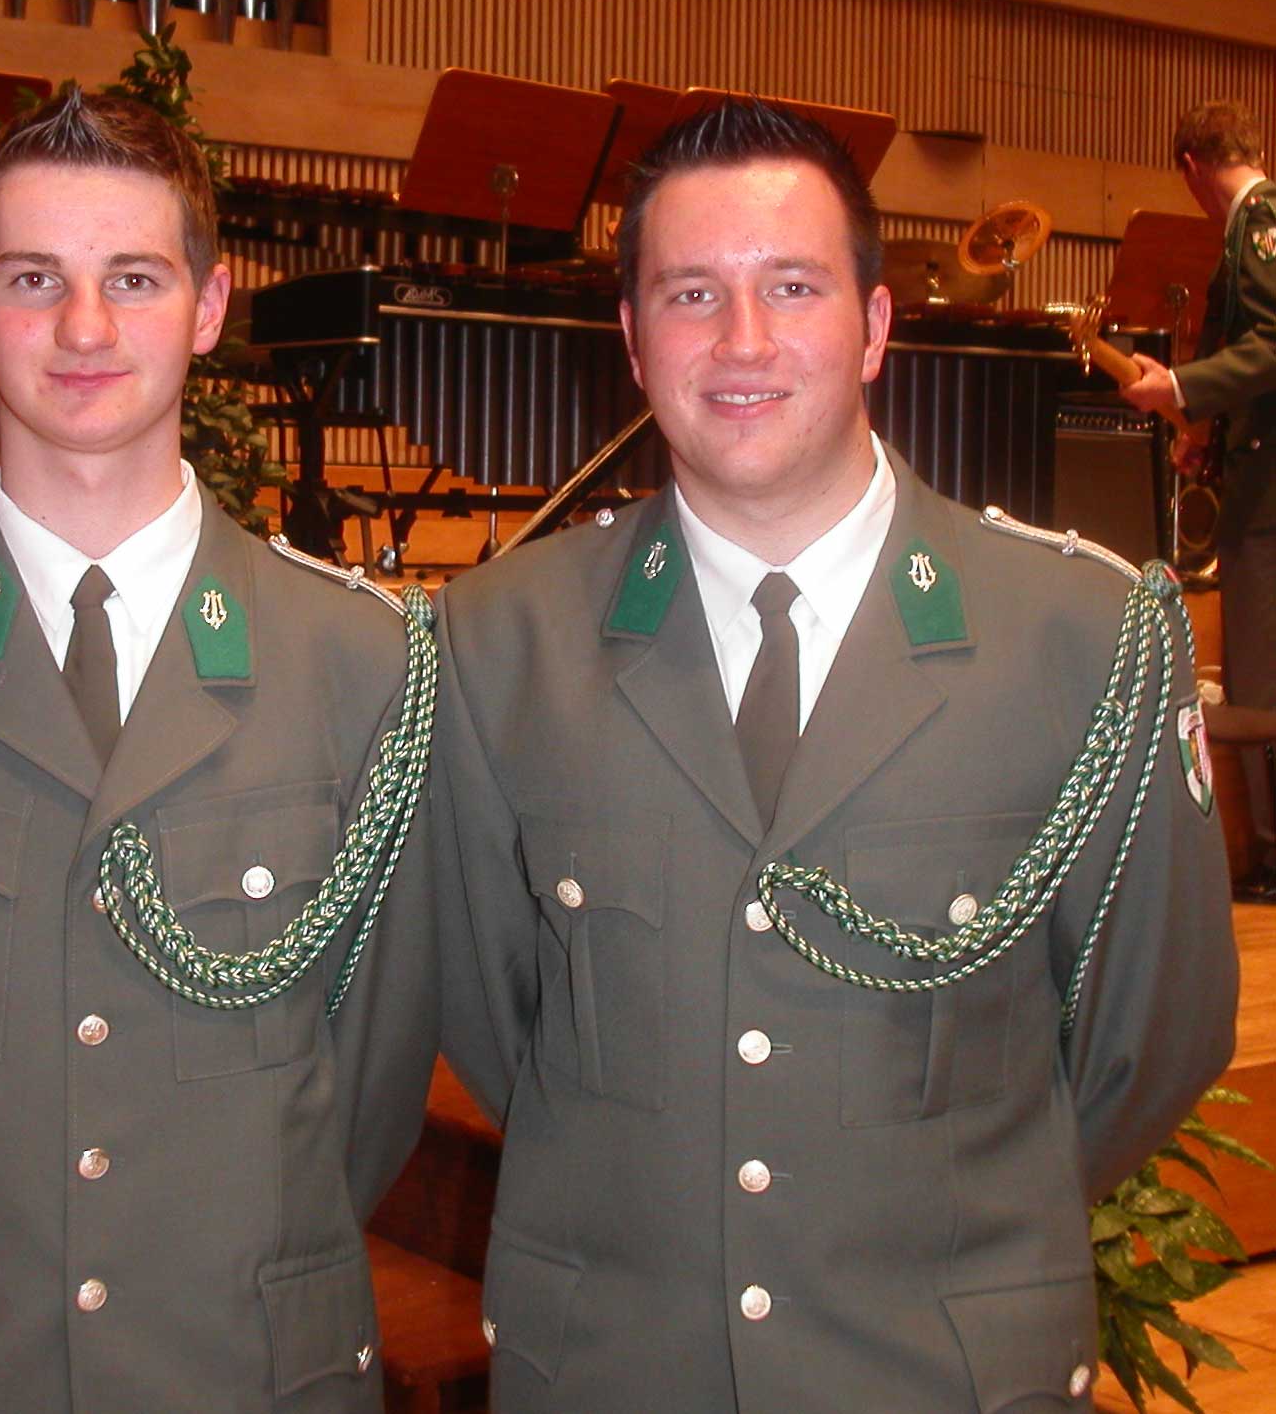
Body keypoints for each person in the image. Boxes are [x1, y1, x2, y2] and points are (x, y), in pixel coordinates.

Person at [432, 97, 1239, 1412]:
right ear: (630, 339)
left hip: (939, 1369)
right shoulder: (496, 642)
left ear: (871, 327)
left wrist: (939, 1213)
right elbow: (495, 1020)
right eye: (689, 294)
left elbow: (1149, 1040)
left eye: (789, 287)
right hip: (618, 1368)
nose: (739, 342)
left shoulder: (1080, 638)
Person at [0, 89, 436, 1412]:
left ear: (210, 305)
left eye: (133, 277)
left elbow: (374, 1080)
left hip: (237, 1361)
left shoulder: (359, 663)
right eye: (32, 278)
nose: (84, 329)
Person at [1122, 98, 1276, 901]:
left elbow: (1272, 345)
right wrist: (1202, 431)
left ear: (1188, 166)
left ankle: (1269, 858)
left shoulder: (1258, 222)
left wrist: (1179, 382)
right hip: (1257, 465)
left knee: (1258, 674)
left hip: (1269, 496)